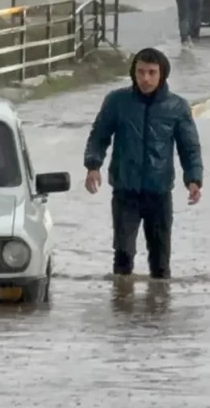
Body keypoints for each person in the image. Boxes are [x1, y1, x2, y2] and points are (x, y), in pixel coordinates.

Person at [83, 47, 203, 280]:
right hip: (125, 190)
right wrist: (93, 166)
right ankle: (122, 306)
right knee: (123, 255)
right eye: (140, 72)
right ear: (133, 73)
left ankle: (157, 309)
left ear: (162, 75)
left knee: (160, 262)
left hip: (159, 192)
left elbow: (189, 147)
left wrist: (194, 180)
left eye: (151, 73)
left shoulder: (177, 107)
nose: (145, 79)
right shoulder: (117, 101)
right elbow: (99, 136)